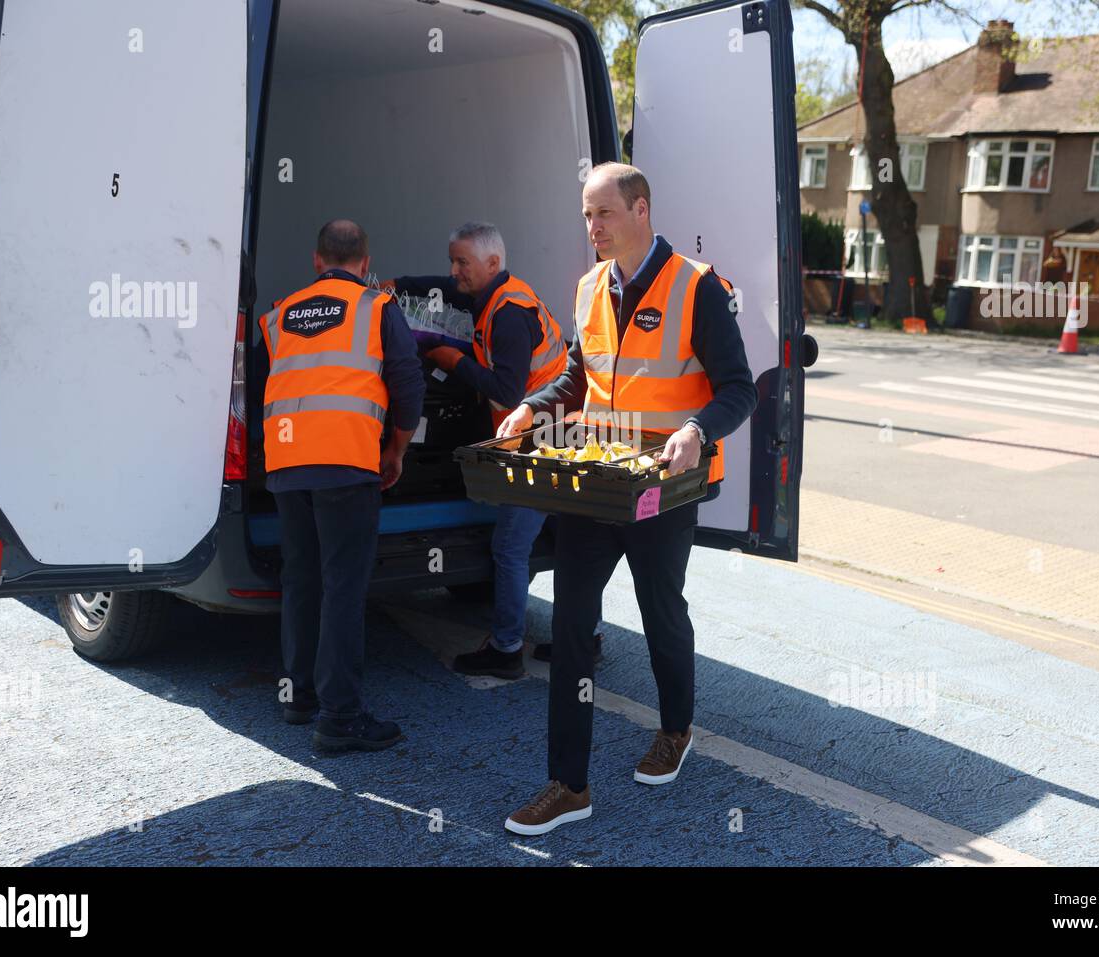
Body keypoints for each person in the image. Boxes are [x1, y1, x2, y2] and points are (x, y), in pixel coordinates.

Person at [497, 163, 757, 835]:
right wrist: (531, 408)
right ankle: (568, 784)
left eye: (603, 214)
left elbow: (739, 388)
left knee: (660, 608)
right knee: (572, 622)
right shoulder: (589, 287)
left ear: (641, 209)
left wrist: (699, 430)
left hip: (663, 487)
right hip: (598, 479)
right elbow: (576, 377)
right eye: (586, 215)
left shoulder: (696, 287)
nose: (592, 228)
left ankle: (675, 728)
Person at [259, 219, 424, 752]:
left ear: (316, 260)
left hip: (286, 464)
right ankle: (340, 718)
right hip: (347, 463)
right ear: (365, 260)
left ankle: (298, 696)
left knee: (301, 580)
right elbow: (407, 382)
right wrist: (396, 449)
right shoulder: (377, 307)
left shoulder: (281, 313)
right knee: (342, 588)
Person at [393, 222, 568, 680]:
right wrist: (395, 286)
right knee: (572, 539)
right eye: (452, 260)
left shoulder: (508, 315)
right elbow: (442, 289)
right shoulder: (498, 293)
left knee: (510, 547)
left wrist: (452, 361)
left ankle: (506, 648)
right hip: (559, 435)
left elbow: (507, 391)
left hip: (538, 443)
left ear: (492, 264)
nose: (454, 272)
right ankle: (579, 638)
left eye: (461, 263)